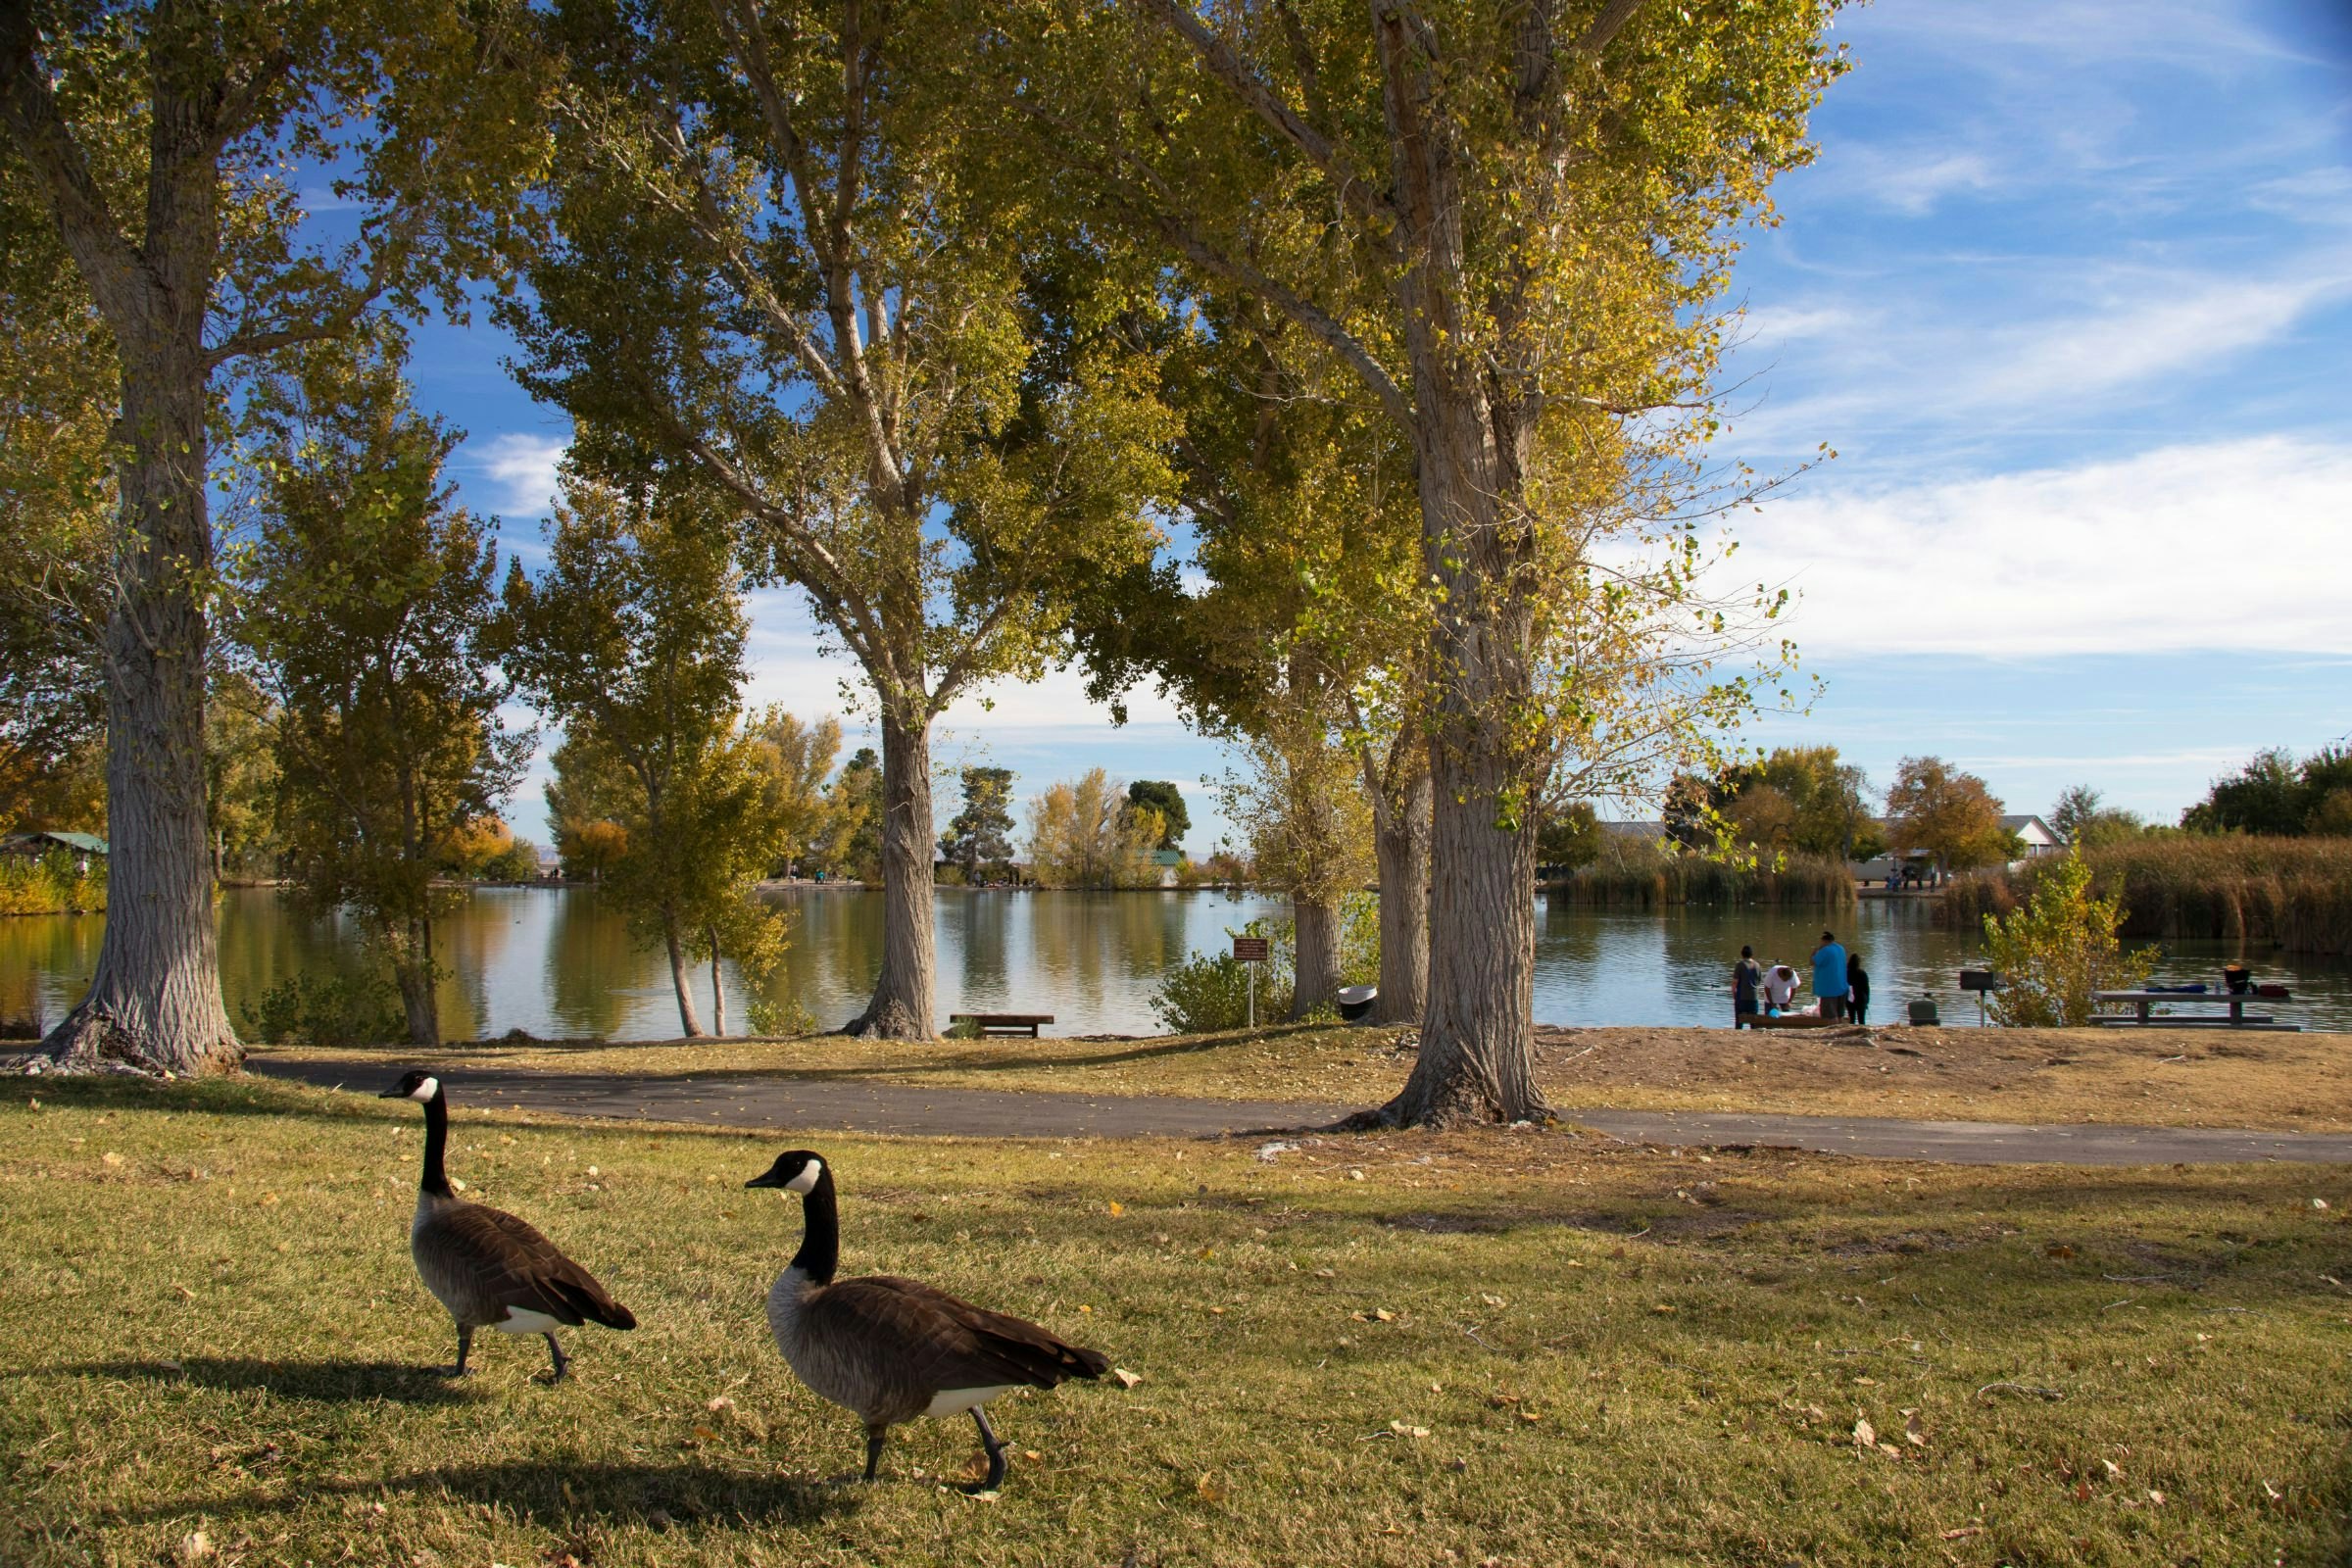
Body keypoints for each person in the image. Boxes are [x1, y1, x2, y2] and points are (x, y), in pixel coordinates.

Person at [1811, 929, 1848, 1022]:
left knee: (1830, 1016)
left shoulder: (1825, 950)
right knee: (1840, 1014)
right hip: (1842, 986)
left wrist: (1814, 952)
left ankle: (1833, 1033)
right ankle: (1841, 1032)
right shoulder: (1841, 948)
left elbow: (1812, 962)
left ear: (1825, 941)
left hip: (1829, 989)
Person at [1733, 945, 1761, 1028]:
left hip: (1742, 997)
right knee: (1754, 1022)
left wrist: (1734, 995)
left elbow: (1735, 982)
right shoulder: (1757, 965)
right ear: (1752, 954)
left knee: (1739, 1021)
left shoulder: (1740, 965)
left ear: (1742, 954)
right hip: (1754, 997)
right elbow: (1759, 981)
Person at [1846, 951, 1871, 1026]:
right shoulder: (1862, 973)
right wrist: (1867, 1000)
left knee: (1851, 1019)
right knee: (1861, 1020)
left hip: (1850, 998)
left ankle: (1850, 1033)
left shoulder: (1846, 972)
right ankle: (1861, 1032)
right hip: (1861, 998)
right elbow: (1866, 988)